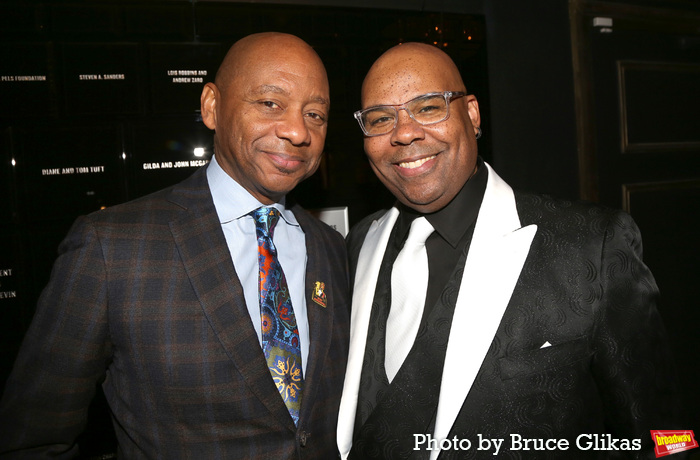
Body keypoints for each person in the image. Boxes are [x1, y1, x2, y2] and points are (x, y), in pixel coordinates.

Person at [0, 32, 350, 458]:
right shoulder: (111, 248)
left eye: (315, 114)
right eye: (270, 103)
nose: (298, 131)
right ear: (212, 107)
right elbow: (32, 439)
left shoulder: (333, 250)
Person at [337, 43, 680, 459]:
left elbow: (669, 436)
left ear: (472, 114)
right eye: (379, 119)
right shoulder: (359, 244)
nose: (404, 132)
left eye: (428, 107)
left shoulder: (593, 245)